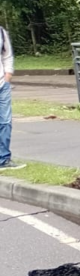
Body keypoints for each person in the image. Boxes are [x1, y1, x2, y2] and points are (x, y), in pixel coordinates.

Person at [0, 25, 24, 170]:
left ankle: (4, 159)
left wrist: (8, 75)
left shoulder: (1, 32)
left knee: (5, 122)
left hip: (2, 85)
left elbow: (7, 55)